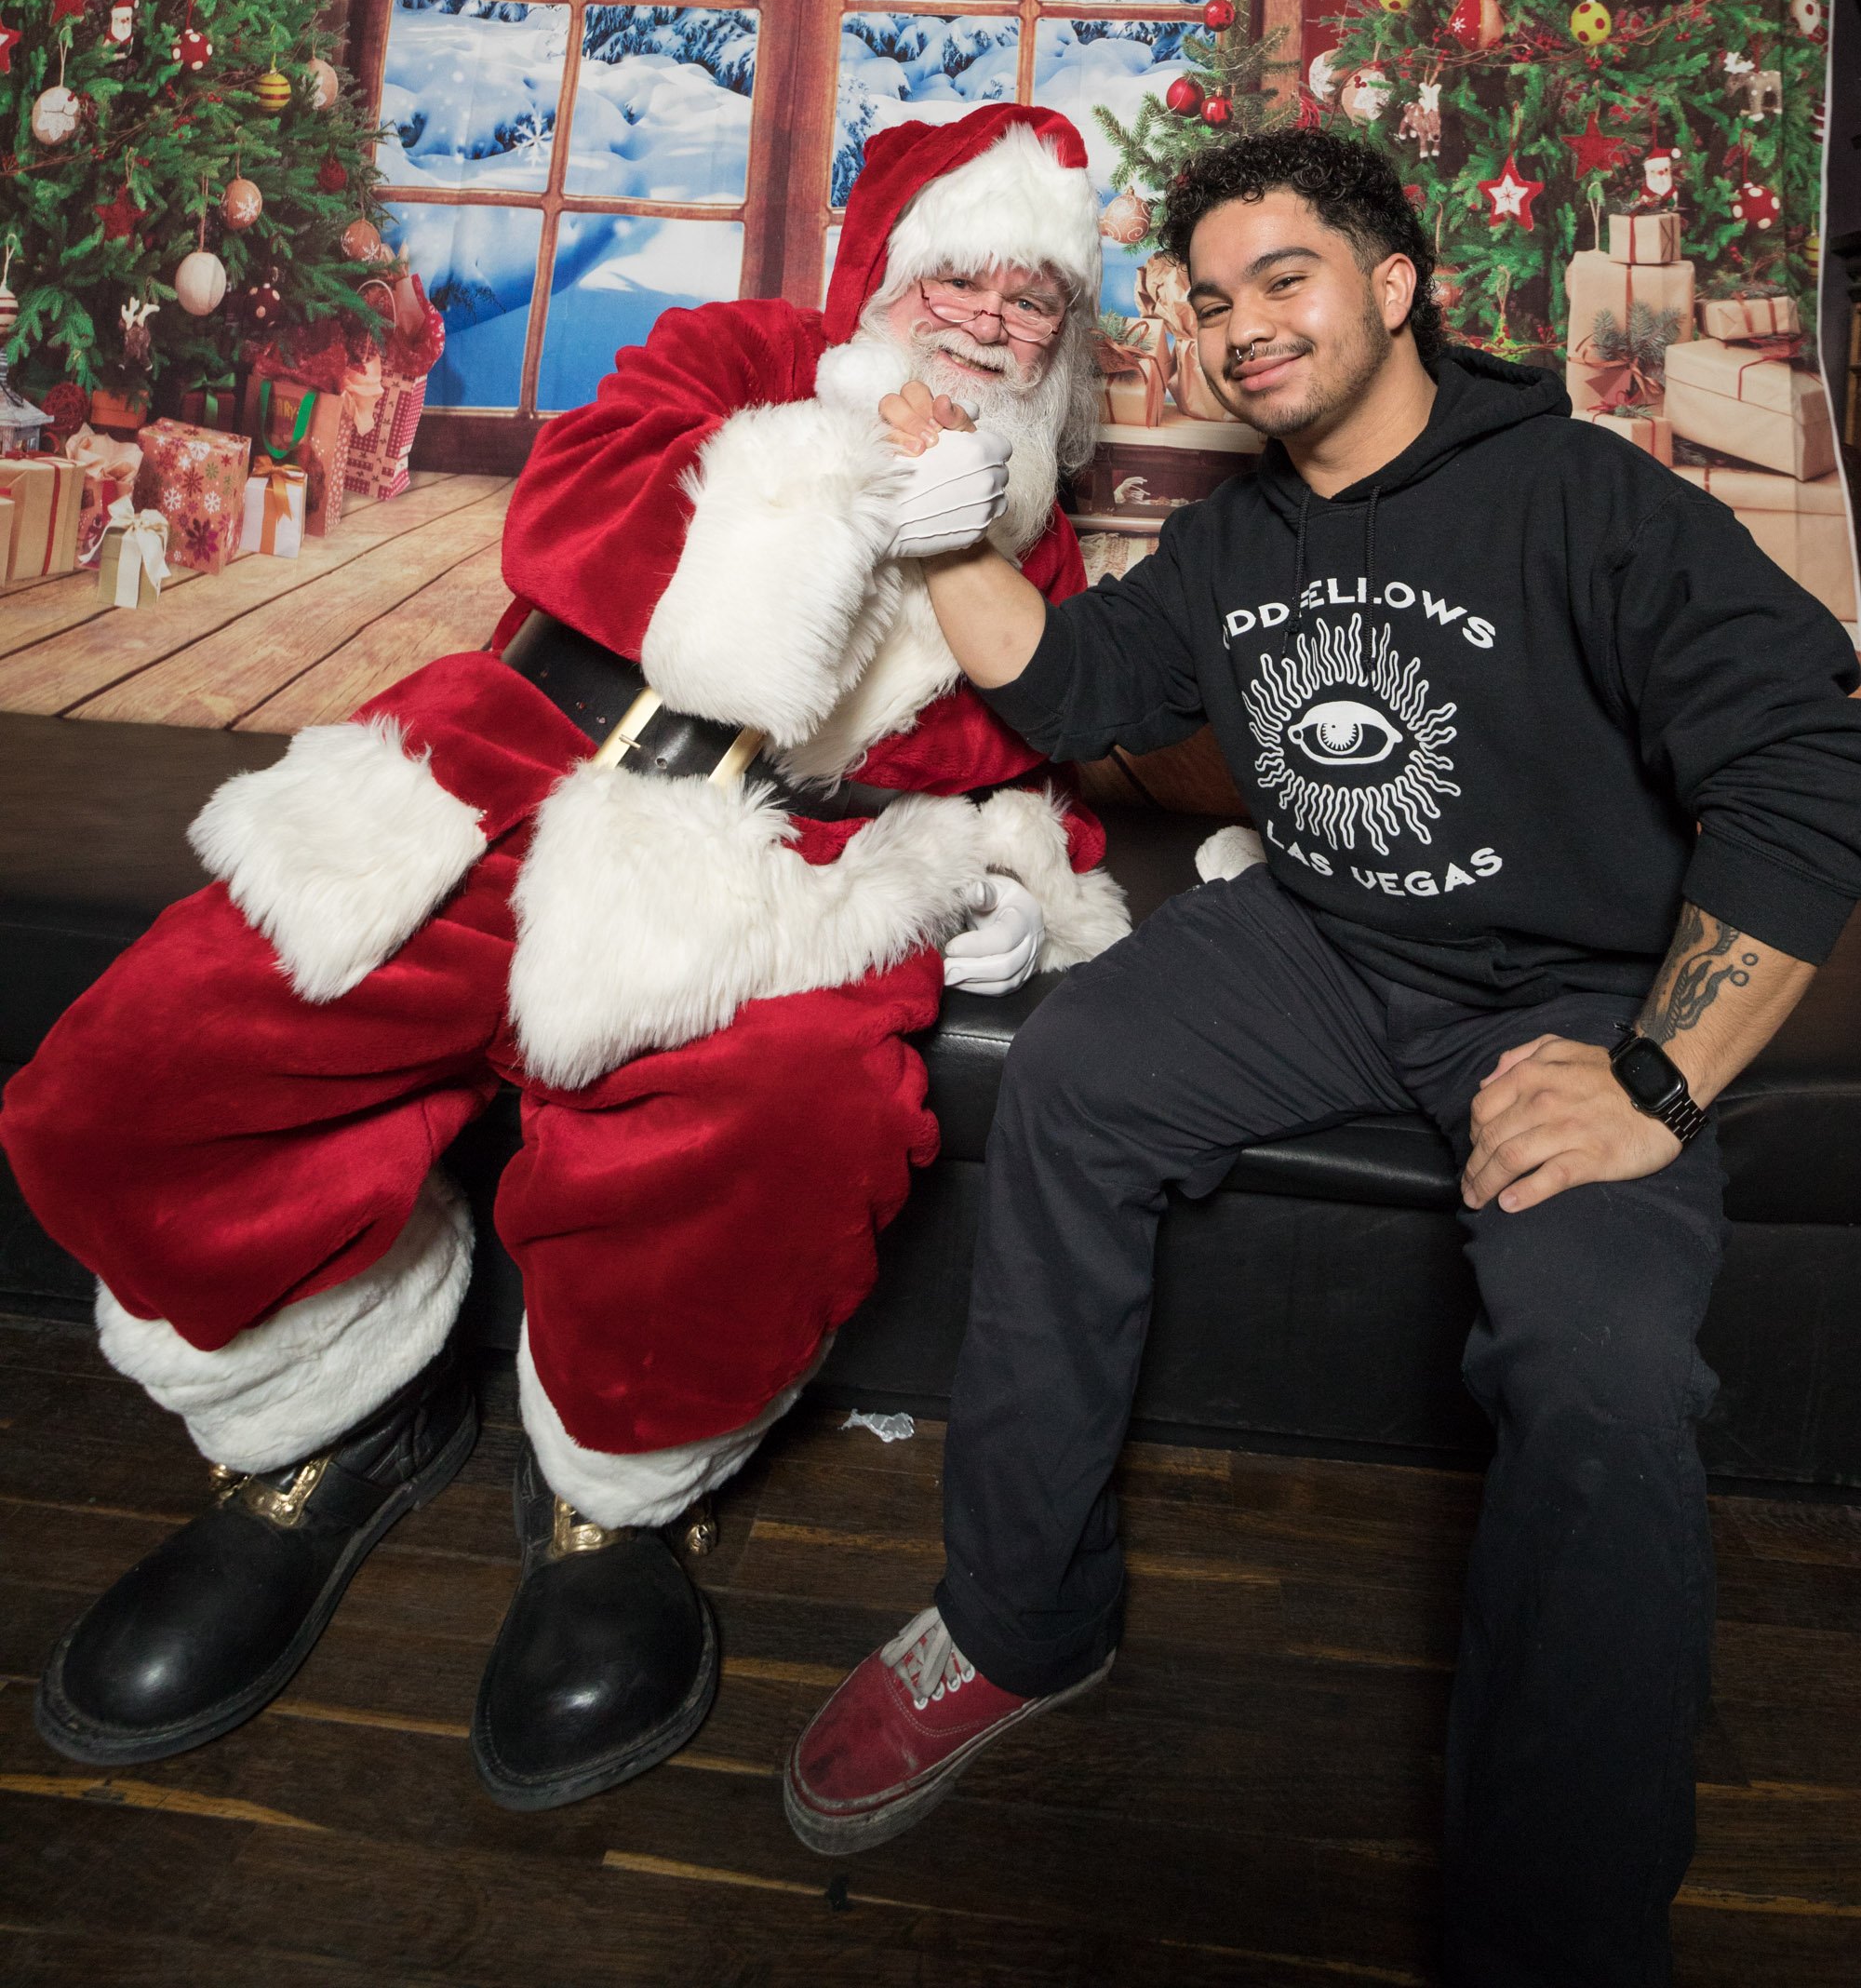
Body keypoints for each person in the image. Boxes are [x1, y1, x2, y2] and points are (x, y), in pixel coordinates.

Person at [785, 127, 1861, 1988]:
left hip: (1573, 998)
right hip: (1321, 943)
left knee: (1600, 1365)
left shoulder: (1583, 499)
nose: (1239, 326)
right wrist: (941, 510)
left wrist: (1656, 1078)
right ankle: (1022, 1620)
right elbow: (1066, 683)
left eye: (1282, 278)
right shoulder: (1239, 542)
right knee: (1072, 1076)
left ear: (1396, 285)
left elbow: (1807, 767)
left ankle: (1558, 1932)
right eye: (1209, 301)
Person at [1, 105, 1130, 1811]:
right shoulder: (741, 354)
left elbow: (1044, 736)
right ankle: (325, 1422)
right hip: (513, 781)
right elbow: (570, 519)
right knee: (142, 1069)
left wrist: (1018, 868)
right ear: (881, 277)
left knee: (793, 1115)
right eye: (953, 276)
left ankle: (617, 1495)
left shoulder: (1028, 523)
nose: (984, 318)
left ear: (1060, 341)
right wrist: (846, 483)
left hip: (785, 887)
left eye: (1029, 299)